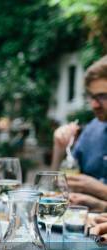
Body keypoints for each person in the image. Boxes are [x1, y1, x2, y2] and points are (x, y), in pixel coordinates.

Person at [51, 55, 107, 209]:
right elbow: (58, 186)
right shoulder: (92, 130)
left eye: (102, 96)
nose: (94, 105)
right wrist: (59, 148)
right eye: (91, 96)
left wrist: (101, 191)